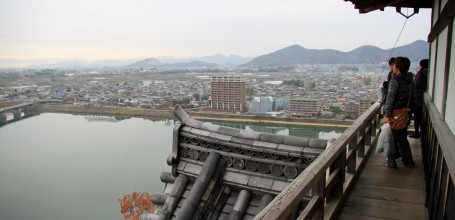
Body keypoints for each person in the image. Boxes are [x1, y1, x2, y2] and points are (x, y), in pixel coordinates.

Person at [383, 57, 416, 168]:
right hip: (405, 113)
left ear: (396, 67)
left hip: (395, 114)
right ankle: (408, 162)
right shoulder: (411, 80)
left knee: (391, 140)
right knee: (403, 139)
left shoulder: (395, 81)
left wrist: (387, 115)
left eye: (394, 65)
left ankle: (391, 163)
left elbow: (390, 99)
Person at [409, 59, 429, 138]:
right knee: (422, 118)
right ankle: (422, 133)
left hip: (418, 98)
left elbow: (416, 85)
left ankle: (417, 133)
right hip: (425, 99)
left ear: (421, 65)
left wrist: (414, 80)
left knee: (417, 117)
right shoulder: (430, 73)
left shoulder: (420, 73)